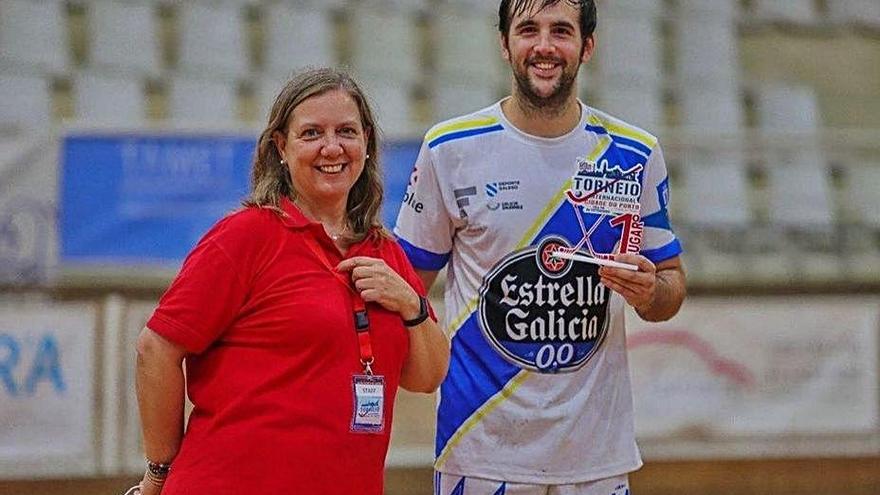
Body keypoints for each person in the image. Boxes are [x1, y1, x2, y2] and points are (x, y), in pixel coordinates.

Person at [394, 0, 686, 493]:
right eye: (528, 29)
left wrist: (647, 291)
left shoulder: (635, 153)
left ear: (587, 46)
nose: (544, 46)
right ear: (505, 44)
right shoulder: (450, 149)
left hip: (597, 458)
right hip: (480, 451)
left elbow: (671, 287)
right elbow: (406, 291)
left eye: (561, 31)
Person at [130, 67, 449, 495]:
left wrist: (411, 305)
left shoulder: (383, 251)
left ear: (367, 143)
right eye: (312, 133)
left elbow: (426, 376)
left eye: (346, 131)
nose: (331, 147)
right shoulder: (246, 235)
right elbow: (156, 348)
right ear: (281, 146)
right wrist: (159, 470)